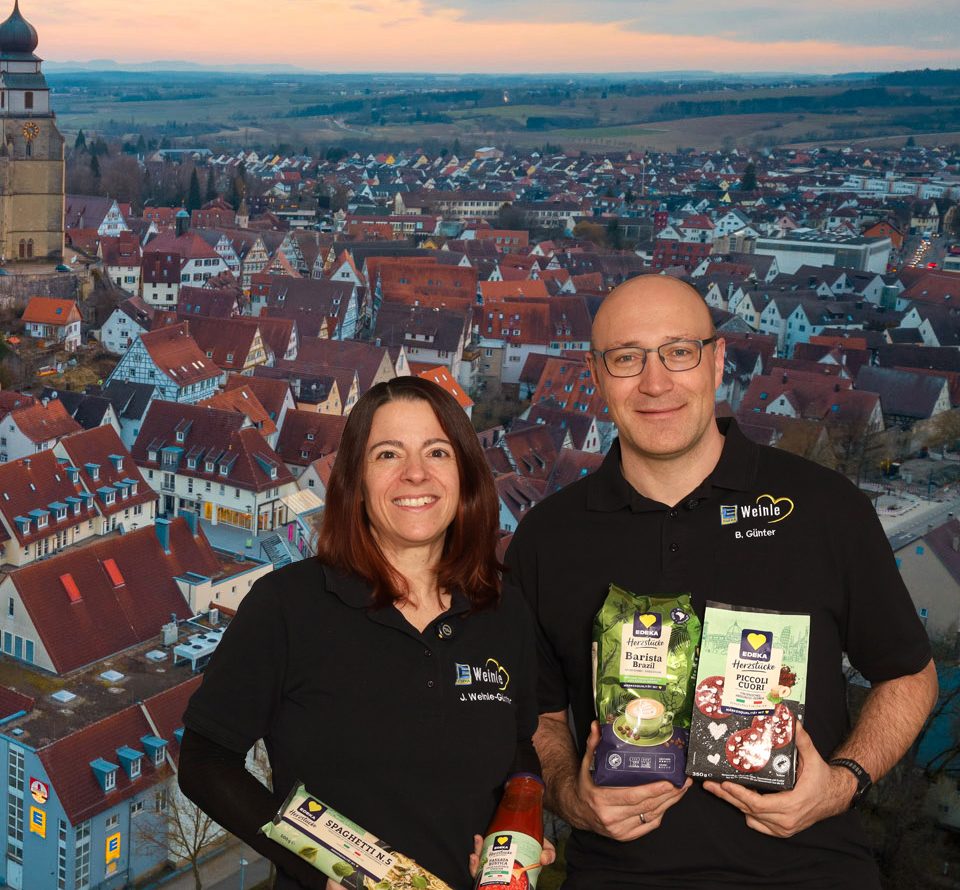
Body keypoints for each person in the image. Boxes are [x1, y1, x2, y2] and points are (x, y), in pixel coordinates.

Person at [507, 274, 939, 888]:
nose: (655, 383)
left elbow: (908, 674)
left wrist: (842, 782)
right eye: (627, 359)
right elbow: (540, 718)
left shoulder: (822, 507)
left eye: (678, 352)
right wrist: (570, 800)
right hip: (619, 875)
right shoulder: (548, 538)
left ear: (716, 362)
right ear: (598, 376)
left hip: (810, 871)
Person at [179, 376, 547, 889]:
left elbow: (516, 747)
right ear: (355, 479)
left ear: (465, 473)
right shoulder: (287, 605)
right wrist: (314, 866)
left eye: (437, 452)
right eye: (388, 455)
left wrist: (518, 821)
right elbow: (204, 762)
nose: (415, 474)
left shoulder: (502, 607)